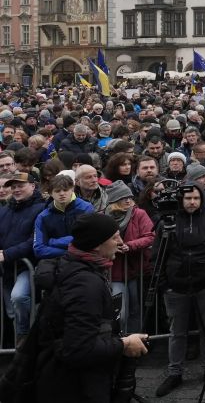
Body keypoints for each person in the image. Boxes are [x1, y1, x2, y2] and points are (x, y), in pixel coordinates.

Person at [31, 212, 150, 402]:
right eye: (114, 237)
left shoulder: (77, 268)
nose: (120, 242)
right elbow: (78, 348)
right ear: (96, 245)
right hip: (74, 387)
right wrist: (124, 344)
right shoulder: (85, 284)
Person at [154, 182, 205, 397]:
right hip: (176, 286)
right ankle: (175, 372)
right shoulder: (167, 222)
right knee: (177, 332)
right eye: (188, 198)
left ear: (202, 199)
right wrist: (164, 284)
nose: (192, 202)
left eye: (196, 198)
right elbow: (157, 254)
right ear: (181, 199)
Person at [0, 172, 46, 346]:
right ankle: (20, 353)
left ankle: (25, 339)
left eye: (21, 185)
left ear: (33, 186)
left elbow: (33, 241)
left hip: (27, 266)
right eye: (14, 186)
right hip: (6, 269)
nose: (16, 189)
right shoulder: (5, 210)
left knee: (18, 297)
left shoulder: (41, 209)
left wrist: (7, 254)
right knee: (12, 311)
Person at [105, 181, 154, 334]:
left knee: (136, 309)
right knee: (121, 312)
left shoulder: (139, 214)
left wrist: (131, 245)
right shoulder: (103, 217)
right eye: (122, 197)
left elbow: (151, 236)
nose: (128, 200)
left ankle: (135, 344)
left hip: (136, 270)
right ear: (113, 200)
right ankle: (120, 342)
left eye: (129, 197)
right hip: (115, 272)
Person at [33, 171, 94, 259]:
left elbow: (87, 239)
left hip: (84, 261)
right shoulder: (43, 216)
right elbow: (39, 249)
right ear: (50, 193)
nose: (62, 194)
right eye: (57, 191)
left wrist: (53, 242)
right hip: (54, 263)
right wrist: (70, 253)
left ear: (72, 189)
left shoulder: (86, 208)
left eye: (65, 190)